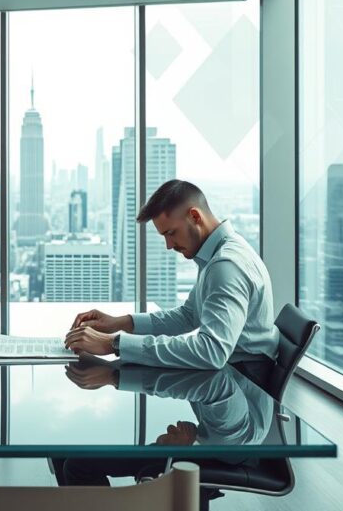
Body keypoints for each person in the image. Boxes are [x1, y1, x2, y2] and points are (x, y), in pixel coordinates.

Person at [64, 180, 278, 369]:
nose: (168, 245)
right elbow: (189, 315)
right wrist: (119, 322)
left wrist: (113, 343)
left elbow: (211, 351)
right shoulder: (217, 254)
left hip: (243, 383)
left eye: (171, 233)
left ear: (195, 216)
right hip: (234, 376)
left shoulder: (226, 265)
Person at [53, 363, 275, 489]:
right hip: (222, 427)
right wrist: (113, 369)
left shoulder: (228, 422)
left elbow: (212, 380)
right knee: (64, 456)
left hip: (230, 444)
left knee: (76, 464)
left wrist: (115, 376)